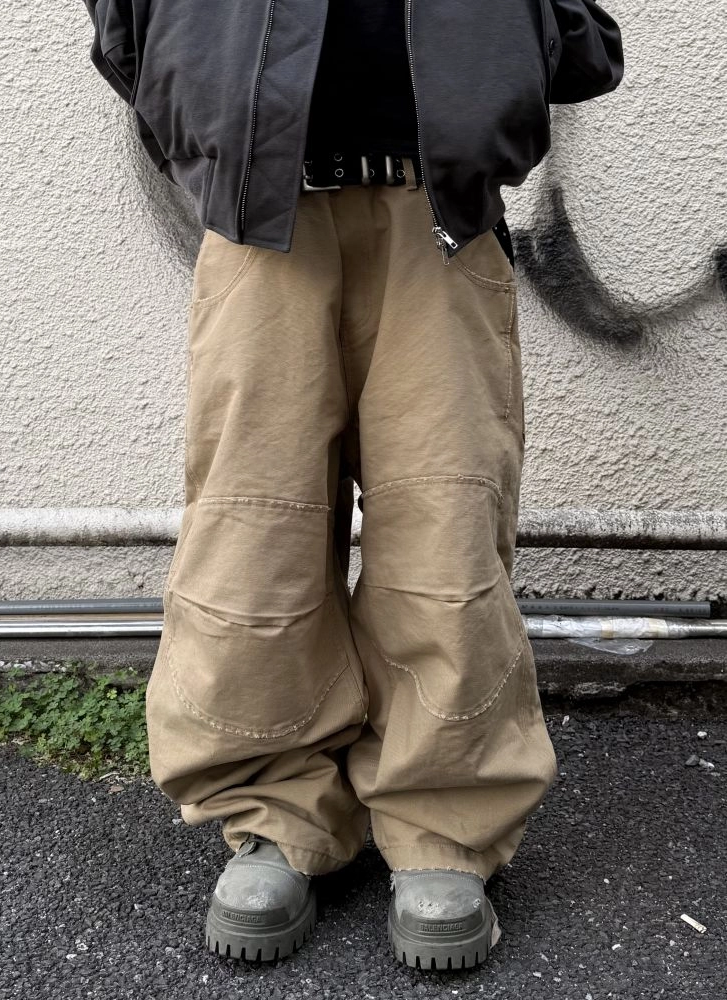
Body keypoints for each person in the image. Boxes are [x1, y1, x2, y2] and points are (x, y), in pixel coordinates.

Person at [82, 0, 624, 971]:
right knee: (254, 527)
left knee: (447, 518)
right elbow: (124, 23)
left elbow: (575, 32)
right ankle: (272, 805)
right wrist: (197, 101)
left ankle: (444, 817)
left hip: (440, 216)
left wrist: (499, 84)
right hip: (260, 217)